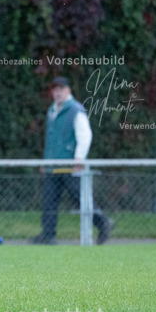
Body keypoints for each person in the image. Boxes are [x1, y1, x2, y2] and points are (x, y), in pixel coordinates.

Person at [31, 76, 114, 244]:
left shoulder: (75, 110)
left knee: (81, 199)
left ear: (68, 90)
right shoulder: (52, 110)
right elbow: (52, 139)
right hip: (53, 166)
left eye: (61, 89)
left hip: (70, 166)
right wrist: (46, 160)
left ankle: (103, 222)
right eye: (55, 90)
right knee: (49, 200)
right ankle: (48, 234)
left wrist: (79, 159)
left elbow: (85, 136)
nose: (58, 93)